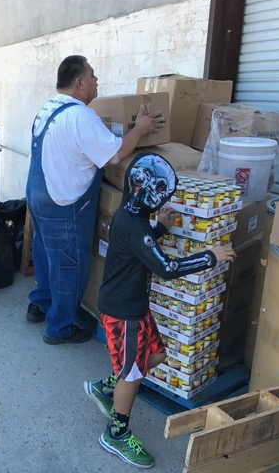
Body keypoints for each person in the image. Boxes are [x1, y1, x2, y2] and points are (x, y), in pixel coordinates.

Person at [83, 152, 237, 468]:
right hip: (123, 313)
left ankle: (106, 388)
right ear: (151, 195)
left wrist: (161, 229)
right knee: (135, 373)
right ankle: (116, 433)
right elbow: (165, 267)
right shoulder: (133, 225)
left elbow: (141, 248)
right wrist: (210, 256)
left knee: (156, 357)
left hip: (134, 307)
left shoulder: (130, 218)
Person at [25, 55, 166, 344]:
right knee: (69, 265)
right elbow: (114, 155)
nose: (96, 80)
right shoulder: (80, 115)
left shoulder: (49, 107)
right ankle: (59, 328)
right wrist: (139, 128)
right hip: (63, 202)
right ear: (79, 83)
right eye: (92, 75)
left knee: (44, 252)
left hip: (38, 195)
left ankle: (40, 303)